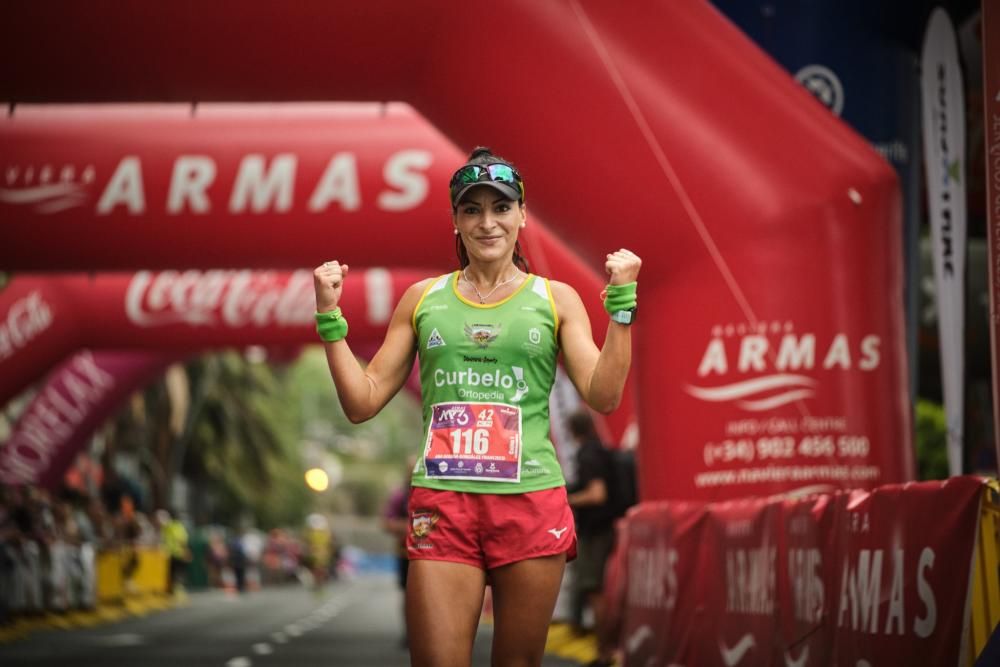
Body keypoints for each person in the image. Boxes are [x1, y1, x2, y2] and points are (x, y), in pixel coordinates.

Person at [312, 146, 641, 667]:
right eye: (472, 210)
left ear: (522, 215)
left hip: (530, 502)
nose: (488, 223)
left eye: (501, 207)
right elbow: (362, 402)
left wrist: (622, 307)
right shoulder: (423, 298)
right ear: (456, 221)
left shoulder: (555, 299)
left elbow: (603, 394)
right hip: (444, 502)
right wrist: (330, 318)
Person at [565, 409, 618, 667]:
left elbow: (597, 494)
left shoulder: (588, 454)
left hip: (596, 531)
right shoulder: (600, 449)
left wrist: (564, 500)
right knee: (596, 590)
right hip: (604, 528)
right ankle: (605, 650)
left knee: (594, 590)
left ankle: (605, 652)